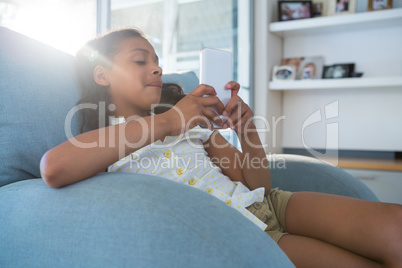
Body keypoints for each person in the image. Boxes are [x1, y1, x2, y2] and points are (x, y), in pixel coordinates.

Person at [40, 28, 402, 267]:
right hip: (234, 229)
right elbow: (54, 168)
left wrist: (246, 130)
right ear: (101, 75)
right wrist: (169, 121)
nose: (156, 69)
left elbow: (257, 185)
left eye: (156, 61)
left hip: (266, 206)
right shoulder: (112, 135)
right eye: (140, 60)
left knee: (393, 224)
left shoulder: (186, 117)